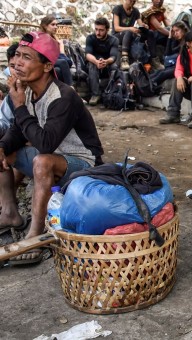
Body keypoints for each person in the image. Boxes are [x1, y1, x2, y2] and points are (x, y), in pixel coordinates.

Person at [1, 32, 103, 265]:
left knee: (43, 160)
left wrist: (18, 106)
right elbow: (18, 131)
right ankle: (9, 213)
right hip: (50, 156)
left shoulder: (63, 96)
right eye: (16, 55)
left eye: (26, 57)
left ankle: (36, 236)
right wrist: (2, 146)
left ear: (47, 66)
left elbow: (45, 144)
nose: (17, 62)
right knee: (4, 149)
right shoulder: (25, 91)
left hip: (84, 164)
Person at [85, 17, 120, 106]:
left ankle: (112, 92)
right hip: (94, 64)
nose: (98, 33)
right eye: (96, 29)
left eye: (101, 30)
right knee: (92, 64)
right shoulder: (90, 38)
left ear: (107, 30)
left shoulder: (114, 40)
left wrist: (106, 62)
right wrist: (96, 62)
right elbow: (87, 54)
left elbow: (113, 56)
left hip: (107, 64)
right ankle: (95, 95)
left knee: (115, 67)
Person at [112, 0, 147, 71]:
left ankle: (152, 58)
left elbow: (140, 24)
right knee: (128, 32)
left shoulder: (135, 11)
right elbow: (116, 28)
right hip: (117, 36)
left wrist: (144, 26)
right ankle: (124, 59)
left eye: (134, 1)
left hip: (128, 35)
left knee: (148, 32)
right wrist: (130, 28)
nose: (132, 2)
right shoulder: (118, 9)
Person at [150, 21, 188, 88]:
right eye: (174, 31)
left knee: (162, 73)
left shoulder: (187, 40)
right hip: (175, 65)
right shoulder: (177, 40)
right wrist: (170, 36)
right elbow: (167, 53)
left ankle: (148, 86)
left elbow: (174, 52)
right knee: (159, 72)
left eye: (177, 30)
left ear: (183, 30)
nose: (176, 33)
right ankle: (144, 82)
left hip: (184, 67)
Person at [38, 15, 74, 85]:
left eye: (56, 25)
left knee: (58, 71)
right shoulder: (41, 38)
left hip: (53, 63)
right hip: (43, 63)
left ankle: (63, 92)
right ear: (45, 26)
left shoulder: (54, 38)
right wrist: (61, 52)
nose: (56, 27)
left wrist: (61, 49)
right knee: (63, 62)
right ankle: (71, 88)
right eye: (53, 25)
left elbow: (68, 62)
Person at [141, 0, 170, 70]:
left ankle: (169, 57)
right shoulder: (149, 13)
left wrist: (173, 31)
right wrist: (172, 34)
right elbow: (159, 28)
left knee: (170, 29)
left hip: (159, 35)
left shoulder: (162, 10)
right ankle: (154, 60)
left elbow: (168, 24)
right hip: (151, 36)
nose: (159, 1)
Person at [0, 43, 19, 137]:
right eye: (12, 66)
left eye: (20, 65)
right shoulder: (10, 98)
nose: (17, 70)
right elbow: (5, 123)